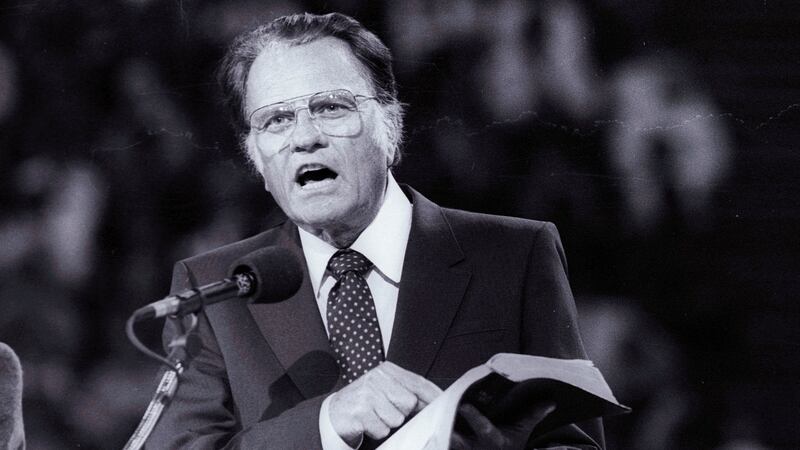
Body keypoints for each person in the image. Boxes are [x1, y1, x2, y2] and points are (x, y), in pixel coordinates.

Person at [146, 12, 603, 449]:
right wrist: (328, 423)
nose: (305, 138)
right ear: (256, 159)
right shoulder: (214, 291)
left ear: (392, 127)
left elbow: (571, 442)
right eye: (276, 120)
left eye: (330, 107)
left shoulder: (514, 255)